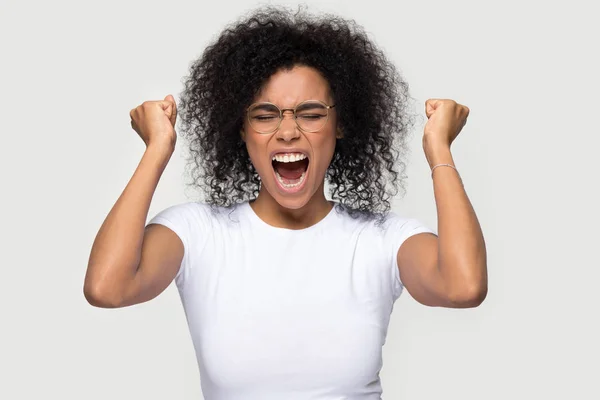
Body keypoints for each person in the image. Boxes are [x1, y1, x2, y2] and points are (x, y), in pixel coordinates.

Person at [83, 6, 487, 399]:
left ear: (340, 124)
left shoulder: (381, 240)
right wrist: (157, 149)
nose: (288, 131)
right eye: (264, 115)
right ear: (240, 128)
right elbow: (107, 288)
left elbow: (463, 287)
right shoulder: (199, 233)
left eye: (311, 113)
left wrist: (439, 150)